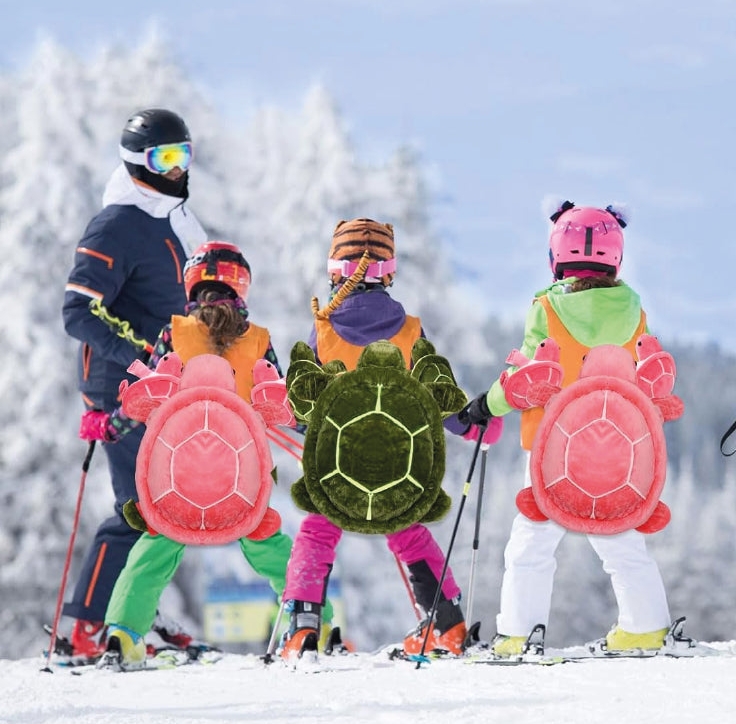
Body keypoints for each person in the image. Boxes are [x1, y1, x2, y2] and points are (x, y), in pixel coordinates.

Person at [99, 241, 332, 668]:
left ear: (192, 287)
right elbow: (283, 403)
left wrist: (108, 427)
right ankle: (312, 625)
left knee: (152, 550)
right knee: (268, 544)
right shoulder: (258, 340)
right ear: (241, 288)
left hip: (174, 474)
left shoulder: (173, 335)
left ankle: (122, 633)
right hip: (241, 476)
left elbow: (146, 392)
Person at [458, 201, 672, 657]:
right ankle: (646, 626)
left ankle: (517, 634)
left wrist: (484, 406)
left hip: (551, 449)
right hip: (618, 450)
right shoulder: (634, 311)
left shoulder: (547, 310)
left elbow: (527, 379)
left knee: (532, 543)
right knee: (619, 536)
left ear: (557, 254)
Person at [279, 218, 472, 662]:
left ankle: (303, 626)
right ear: (389, 271)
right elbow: (437, 394)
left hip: (335, 468)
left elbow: (305, 401)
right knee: (408, 531)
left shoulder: (323, 331)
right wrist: (473, 424)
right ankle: (448, 624)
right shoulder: (409, 329)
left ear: (334, 271)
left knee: (317, 531)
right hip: (397, 468)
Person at [61, 109, 207, 658]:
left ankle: (138, 615)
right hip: (125, 390)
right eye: (162, 159)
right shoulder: (118, 224)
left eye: (182, 156)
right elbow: (78, 312)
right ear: (135, 164)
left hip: (169, 383)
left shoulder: (174, 220)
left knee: (165, 504)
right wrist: (139, 354)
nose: (174, 170)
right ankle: (90, 627)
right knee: (141, 507)